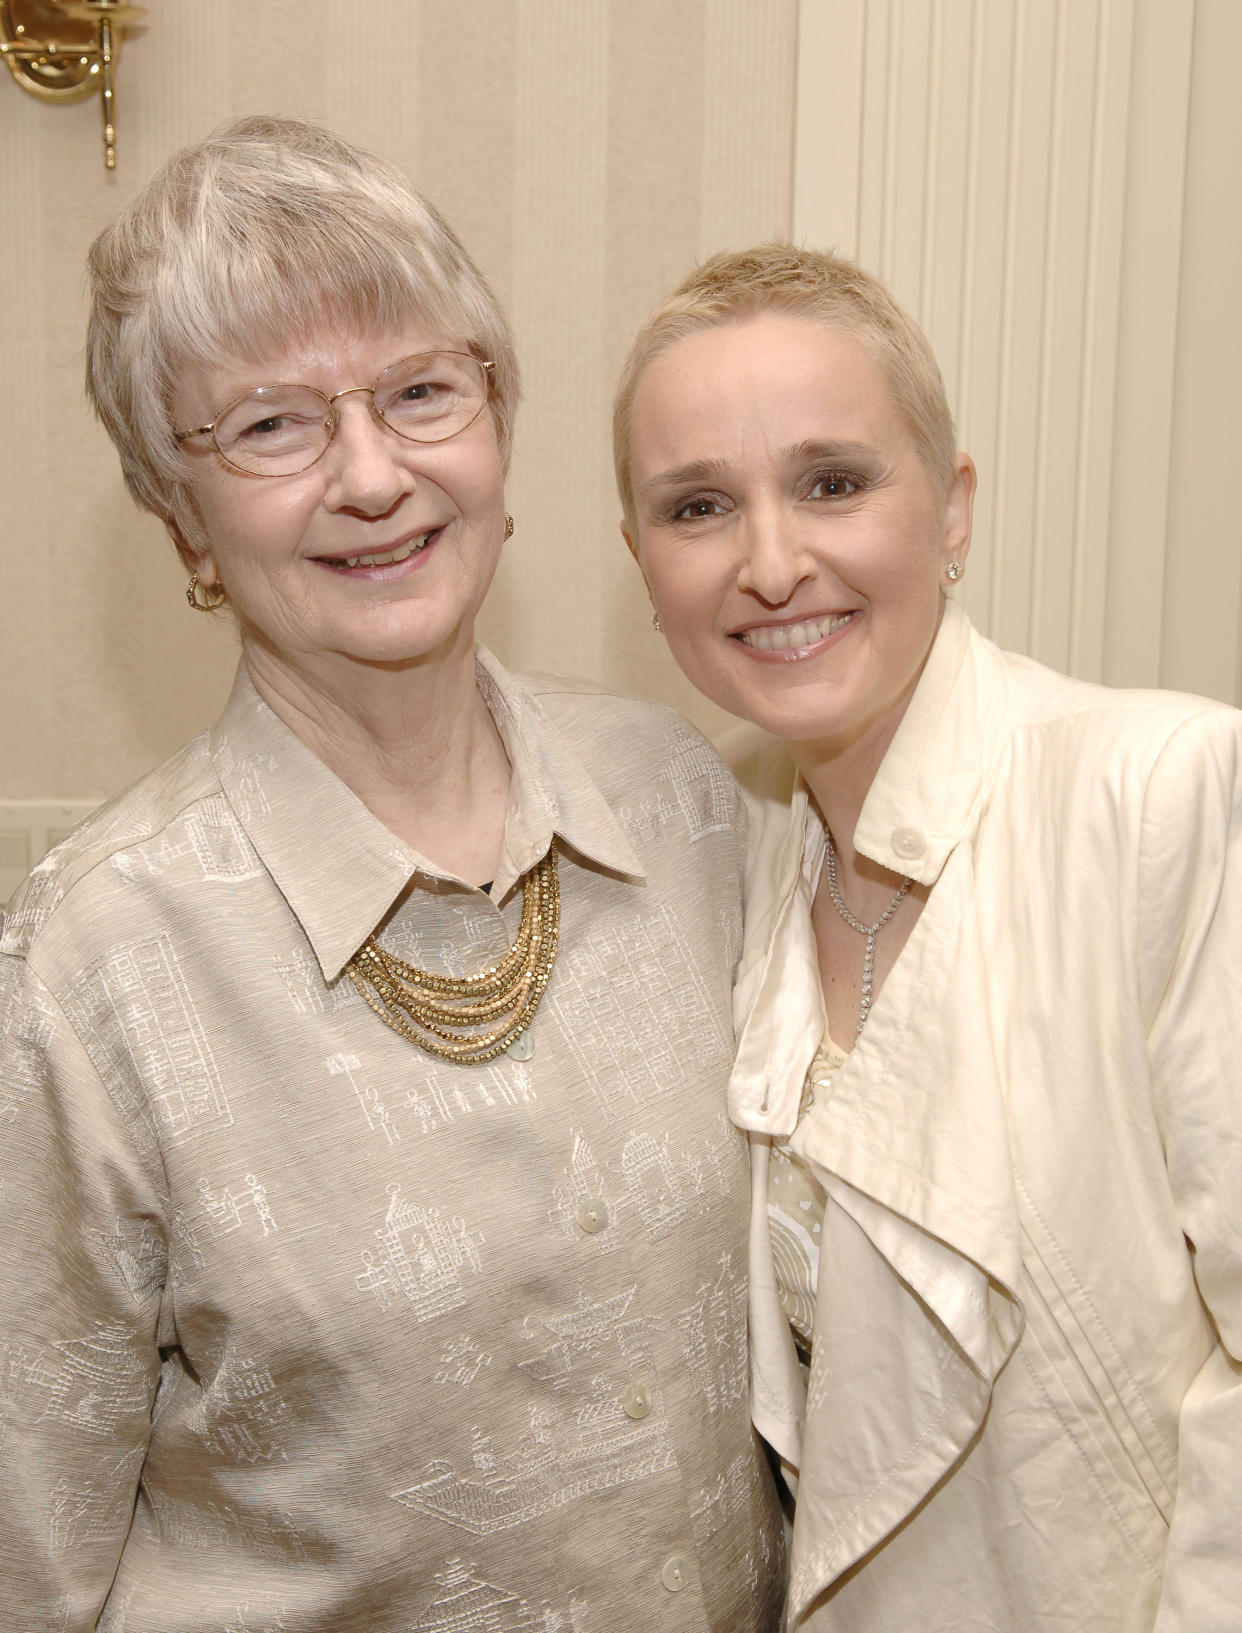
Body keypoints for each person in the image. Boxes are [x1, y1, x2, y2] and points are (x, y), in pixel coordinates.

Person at [0, 119, 783, 1631]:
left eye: (422, 391)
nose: (374, 475)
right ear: (185, 521)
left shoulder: (685, 803)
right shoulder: (86, 971)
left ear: (495, 426)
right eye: (273, 426)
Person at [614, 243, 1242, 1631]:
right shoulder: (719, 848)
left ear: (950, 513)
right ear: (642, 564)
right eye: (698, 505)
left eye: (831, 481)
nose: (771, 562)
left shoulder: (1163, 792)